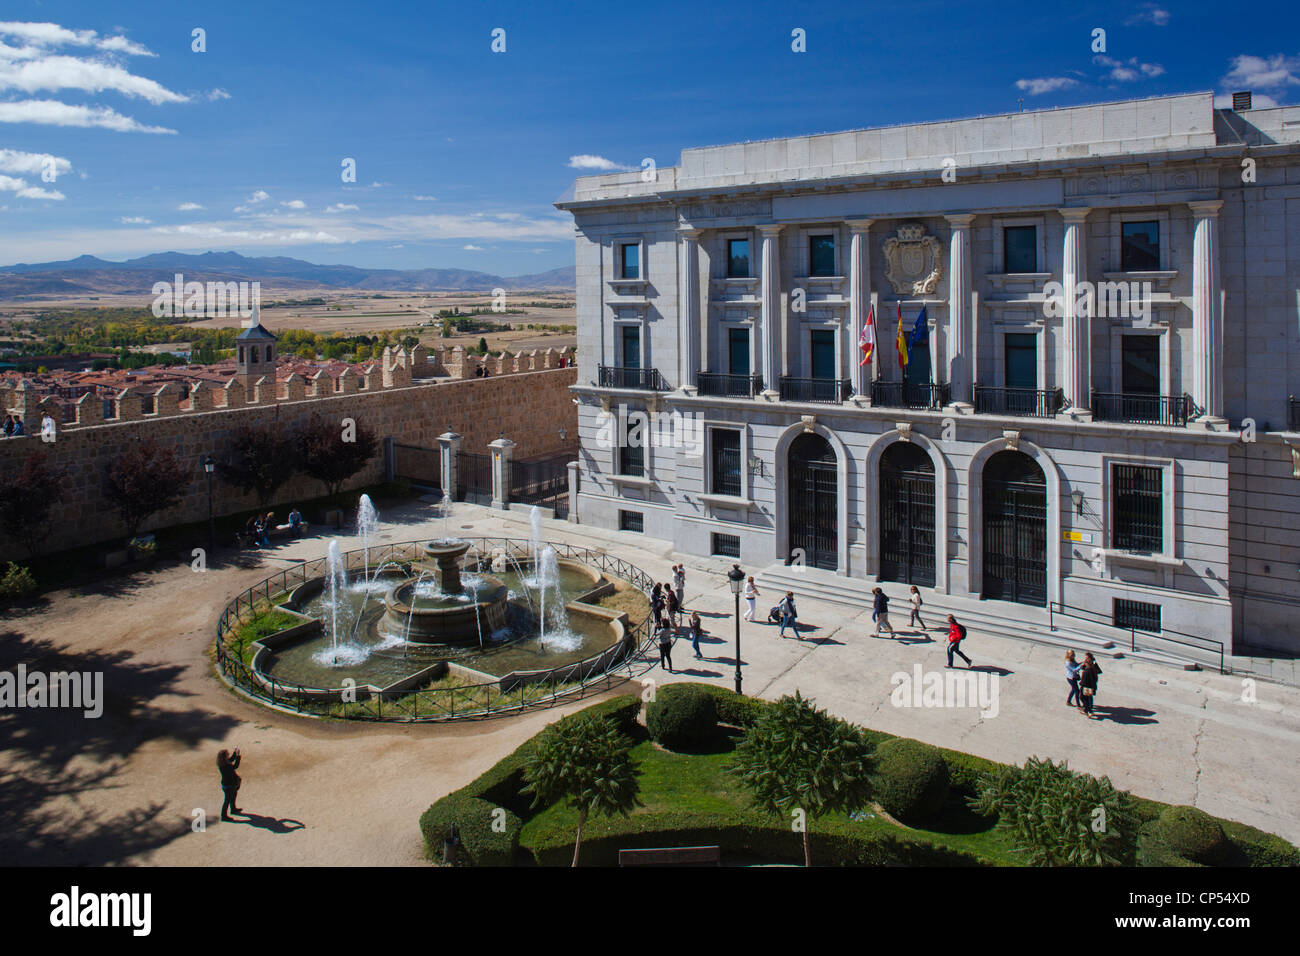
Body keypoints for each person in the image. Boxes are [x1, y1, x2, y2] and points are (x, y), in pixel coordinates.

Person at [217, 748, 243, 821]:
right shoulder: (226, 766)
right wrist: (238, 757)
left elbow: (231, 759)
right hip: (229, 785)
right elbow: (235, 766)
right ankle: (224, 816)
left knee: (233, 796)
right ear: (224, 757)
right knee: (227, 800)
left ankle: (233, 809)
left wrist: (235, 753)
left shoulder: (223, 763)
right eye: (227, 755)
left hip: (228, 784)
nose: (229, 755)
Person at [1079, 652, 1103, 718]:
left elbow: (1084, 680)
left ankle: (1089, 710)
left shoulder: (1087, 671)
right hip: (1091, 686)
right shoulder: (1092, 669)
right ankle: (1087, 710)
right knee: (1087, 698)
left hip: (1086, 687)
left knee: (1083, 697)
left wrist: (1080, 683)